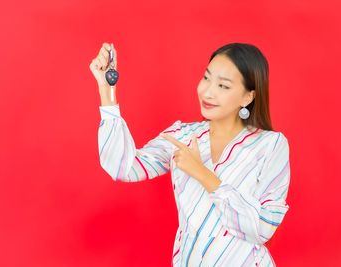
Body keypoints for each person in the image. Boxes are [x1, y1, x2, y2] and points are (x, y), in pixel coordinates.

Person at [89, 42, 291, 266]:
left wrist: (202, 173)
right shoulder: (181, 136)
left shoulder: (270, 145)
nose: (208, 92)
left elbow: (263, 228)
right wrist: (106, 90)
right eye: (206, 78)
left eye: (223, 86)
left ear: (247, 97)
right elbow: (123, 168)